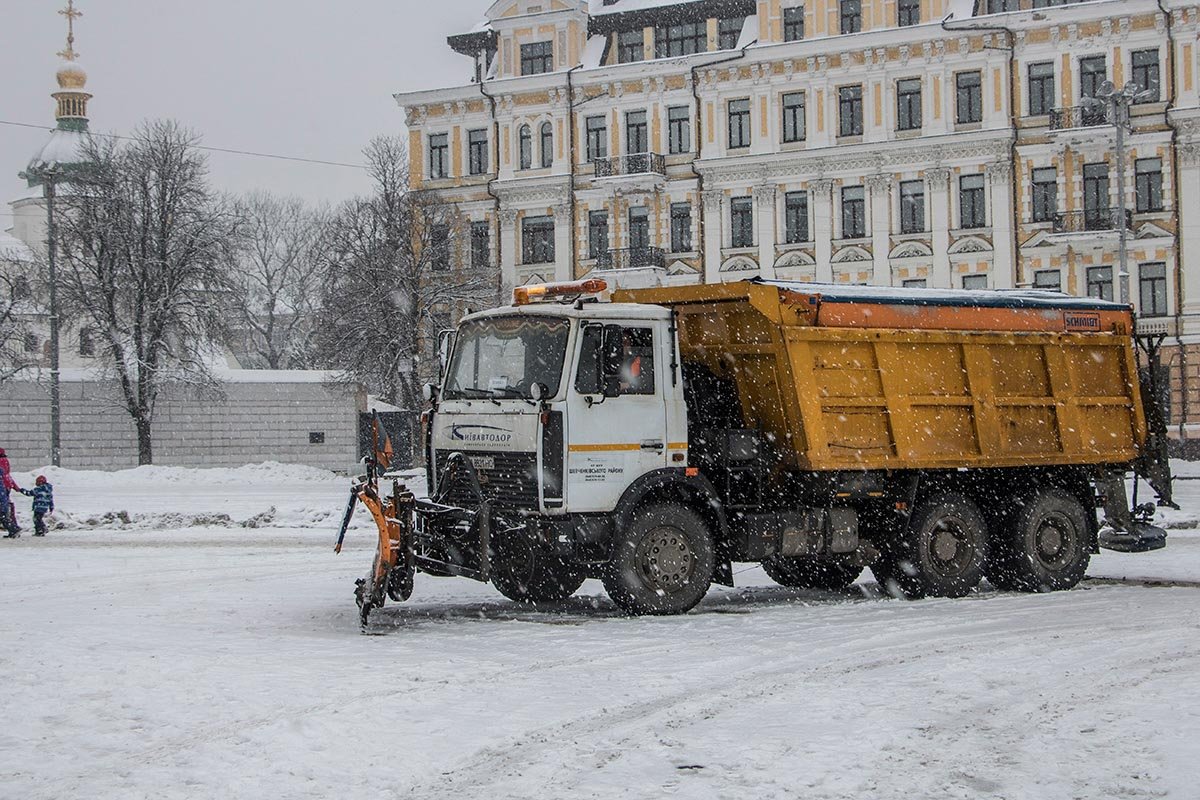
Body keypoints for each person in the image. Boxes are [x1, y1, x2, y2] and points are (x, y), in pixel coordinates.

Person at [0, 448, 20, 537]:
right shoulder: (5, 461)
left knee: (3, 511)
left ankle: (13, 528)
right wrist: (15, 486)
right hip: (6, 485)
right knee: (6, 508)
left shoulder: (1, 461)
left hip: (3, 486)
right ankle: (14, 526)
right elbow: (7, 474)